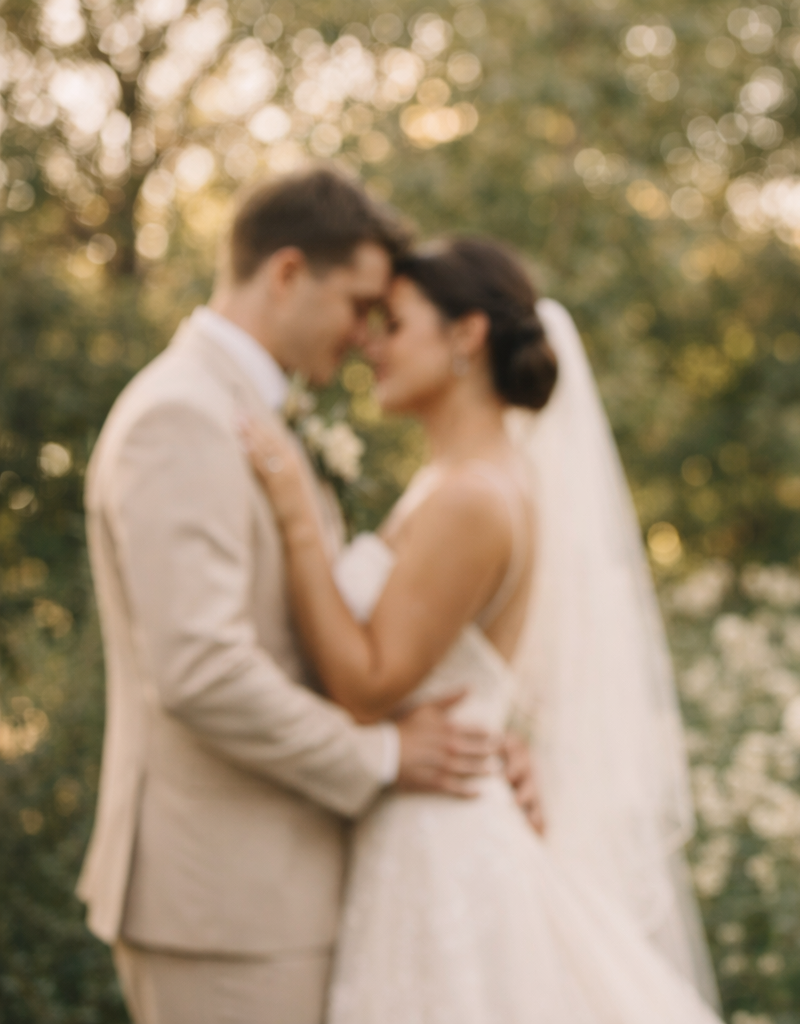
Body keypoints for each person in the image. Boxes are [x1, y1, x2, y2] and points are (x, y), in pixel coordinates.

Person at [80, 169, 540, 1024]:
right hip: (226, 901)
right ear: (288, 273)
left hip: (285, 887)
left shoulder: (249, 414)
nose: (365, 336)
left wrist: (479, 733)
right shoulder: (181, 417)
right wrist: (388, 757)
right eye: (360, 305)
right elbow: (201, 670)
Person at [240, 236, 721, 1023]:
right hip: (425, 820)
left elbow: (367, 686)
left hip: (442, 842)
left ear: (465, 335)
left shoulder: (472, 498)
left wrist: (297, 517)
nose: (370, 345)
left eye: (394, 324)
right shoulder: (457, 483)